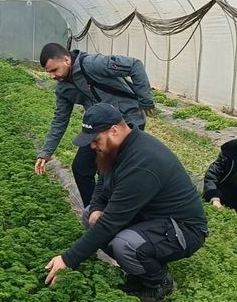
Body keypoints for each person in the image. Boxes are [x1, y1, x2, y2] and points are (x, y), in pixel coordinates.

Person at [44, 103, 207, 302]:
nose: (92, 146)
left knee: (125, 244)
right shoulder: (118, 148)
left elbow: (111, 223)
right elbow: (103, 181)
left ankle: (159, 283)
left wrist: (68, 259)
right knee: (90, 215)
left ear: (113, 130)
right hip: (150, 218)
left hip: (182, 230)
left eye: (95, 140)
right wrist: (96, 207)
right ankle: (139, 269)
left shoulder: (142, 162)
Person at [35, 42, 155, 207]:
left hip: (126, 120)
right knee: (81, 168)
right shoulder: (63, 89)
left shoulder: (92, 64)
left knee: (112, 172)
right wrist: (46, 153)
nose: (52, 76)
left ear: (66, 60)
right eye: (49, 72)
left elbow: (134, 65)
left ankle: (120, 212)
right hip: (99, 127)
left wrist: (145, 100)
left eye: (54, 70)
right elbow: (60, 120)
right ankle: (93, 212)